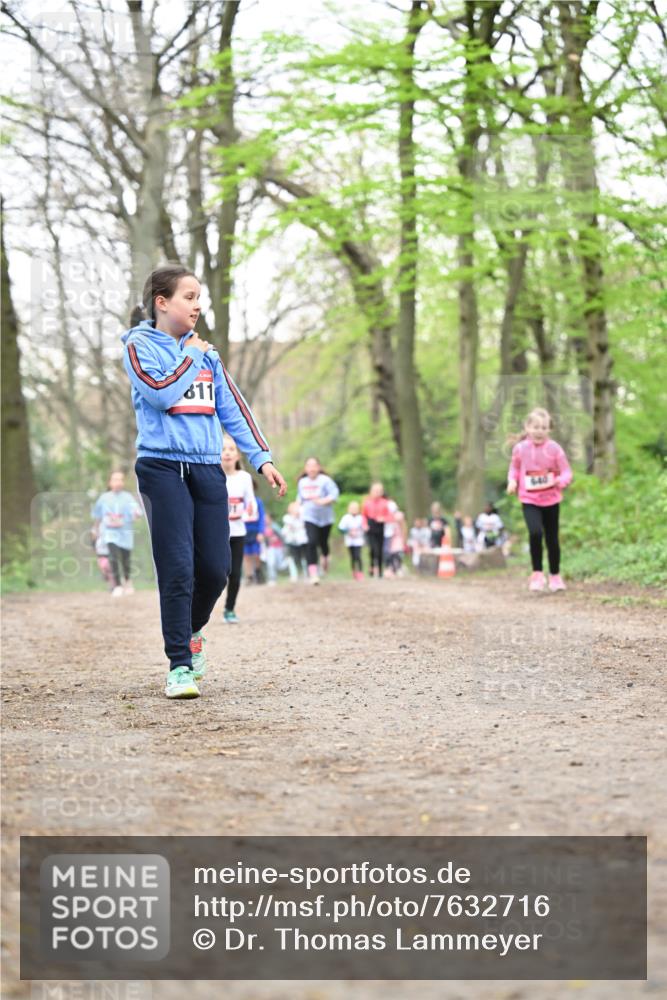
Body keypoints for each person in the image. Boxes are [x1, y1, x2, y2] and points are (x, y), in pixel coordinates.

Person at [122, 263, 286, 699]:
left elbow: (234, 409)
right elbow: (160, 392)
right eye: (189, 297)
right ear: (162, 302)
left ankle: (193, 631)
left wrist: (261, 458)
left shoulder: (208, 356)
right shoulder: (140, 345)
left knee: (216, 570)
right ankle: (179, 666)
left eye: (199, 298)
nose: (198, 305)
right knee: (177, 568)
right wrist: (191, 354)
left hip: (206, 468)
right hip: (160, 468)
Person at [506, 406, 572, 592]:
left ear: (548, 430)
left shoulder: (554, 448)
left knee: (552, 539)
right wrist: (512, 481)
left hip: (551, 499)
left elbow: (566, 470)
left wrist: (561, 480)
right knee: (535, 533)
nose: (539, 431)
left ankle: (555, 576)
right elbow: (515, 469)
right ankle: (536, 574)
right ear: (527, 428)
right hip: (529, 499)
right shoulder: (520, 449)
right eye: (535, 427)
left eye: (543, 428)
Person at [221, 437, 256, 623]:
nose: (227, 452)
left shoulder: (244, 478)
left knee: (235, 574)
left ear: (237, 454)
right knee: (217, 573)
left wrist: (249, 512)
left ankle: (229, 609)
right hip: (216, 534)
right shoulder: (212, 475)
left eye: (231, 449)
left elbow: (251, 502)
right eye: (223, 449)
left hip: (238, 532)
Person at [91, 471, 143, 597]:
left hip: (125, 534)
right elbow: (97, 516)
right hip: (109, 533)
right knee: (113, 557)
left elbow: (137, 511)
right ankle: (118, 585)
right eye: (115, 479)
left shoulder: (128, 497)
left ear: (123, 482)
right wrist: (95, 530)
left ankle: (128, 581)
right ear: (110, 482)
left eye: (120, 479)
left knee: (125, 559)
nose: (118, 482)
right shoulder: (104, 498)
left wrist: (136, 514)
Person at [297, 457, 340, 584]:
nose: (311, 468)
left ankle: (325, 557)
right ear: (305, 469)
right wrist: (296, 505)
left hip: (325, 518)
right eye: (309, 466)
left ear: (319, 468)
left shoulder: (325, 480)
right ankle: (313, 573)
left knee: (323, 543)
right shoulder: (302, 482)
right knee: (311, 542)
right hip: (309, 517)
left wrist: (323, 501)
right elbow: (300, 497)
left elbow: (335, 494)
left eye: (314, 465)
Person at [362, 482, 392, 578]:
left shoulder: (385, 503)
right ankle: (371, 565)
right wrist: (365, 525)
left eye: (379, 491)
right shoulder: (367, 502)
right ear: (371, 491)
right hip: (370, 526)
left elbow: (390, 516)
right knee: (373, 549)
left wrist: (384, 518)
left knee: (379, 550)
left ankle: (380, 571)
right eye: (375, 491)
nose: (377, 493)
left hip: (380, 526)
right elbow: (363, 516)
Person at [338, 501, 365, 580]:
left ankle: (360, 573)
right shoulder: (346, 518)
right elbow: (340, 528)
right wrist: (348, 532)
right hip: (349, 541)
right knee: (353, 557)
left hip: (358, 540)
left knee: (358, 556)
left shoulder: (361, 518)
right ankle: (354, 572)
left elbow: (364, 527)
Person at [244, 488, 266, 584]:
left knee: (256, 553)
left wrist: (261, 532)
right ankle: (249, 576)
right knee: (246, 555)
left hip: (255, 531)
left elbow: (261, 517)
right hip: (243, 531)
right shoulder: (240, 501)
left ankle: (258, 571)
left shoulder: (257, 501)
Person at [282, 501, 308, 581]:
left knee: (304, 558)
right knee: (292, 558)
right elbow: (289, 525)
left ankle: (306, 574)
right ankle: (294, 575)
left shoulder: (303, 517)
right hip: (291, 542)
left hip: (303, 541)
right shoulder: (287, 518)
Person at [262, 513, 285, 585]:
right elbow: (264, 540)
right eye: (264, 519)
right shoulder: (263, 528)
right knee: (271, 563)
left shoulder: (275, 526)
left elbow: (282, 535)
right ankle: (272, 578)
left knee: (280, 565)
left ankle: (288, 563)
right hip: (270, 548)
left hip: (278, 547)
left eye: (267, 518)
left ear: (270, 519)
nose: (265, 520)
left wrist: (277, 538)